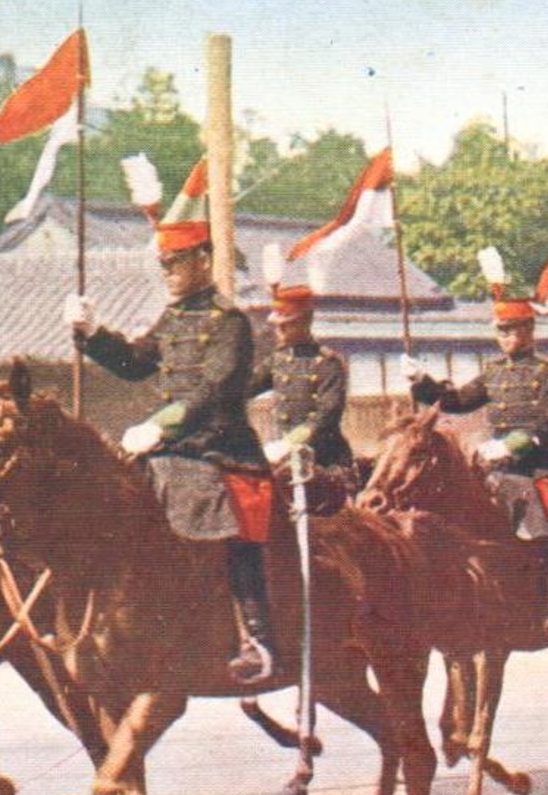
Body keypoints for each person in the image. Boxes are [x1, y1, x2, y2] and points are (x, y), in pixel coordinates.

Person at [63, 209, 281, 687]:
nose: (168, 273)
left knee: (224, 528)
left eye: (177, 263)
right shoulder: (172, 319)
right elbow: (136, 363)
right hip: (169, 448)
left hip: (220, 450)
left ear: (203, 259)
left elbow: (216, 388)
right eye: (163, 265)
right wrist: (92, 334)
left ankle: (256, 637)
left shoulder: (230, 323)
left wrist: (161, 424)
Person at [402, 288, 548, 632]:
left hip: (537, 466)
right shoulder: (493, 372)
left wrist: (510, 445)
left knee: (535, 519)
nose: (506, 337)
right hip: (496, 469)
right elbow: (457, 401)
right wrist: (422, 382)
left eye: (513, 329)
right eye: (501, 330)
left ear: (529, 330)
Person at [248, 282, 356, 515]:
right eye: (277, 326)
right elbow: (246, 387)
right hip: (286, 463)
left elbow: (326, 414)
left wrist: (289, 443)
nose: (279, 332)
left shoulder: (328, 364)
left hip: (324, 463)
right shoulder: (280, 359)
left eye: (285, 326)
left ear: (304, 322)